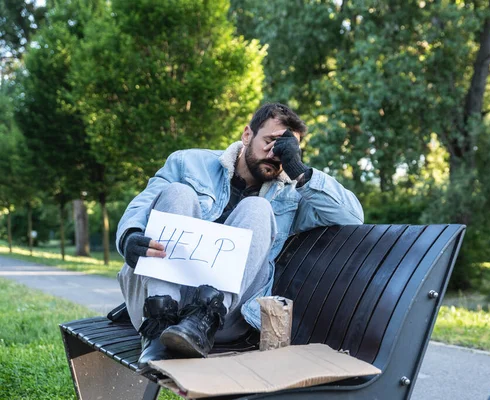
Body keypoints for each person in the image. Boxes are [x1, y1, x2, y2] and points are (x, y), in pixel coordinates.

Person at [116, 103, 363, 371]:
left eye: (286, 149)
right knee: (179, 192)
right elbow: (142, 204)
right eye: (270, 141)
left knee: (257, 207)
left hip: (220, 319)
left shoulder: (291, 195)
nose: (275, 154)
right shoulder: (188, 162)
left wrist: (299, 170)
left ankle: (202, 319)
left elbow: (352, 217)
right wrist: (130, 235)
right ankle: (158, 327)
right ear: (247, 135)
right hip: (154, 300)